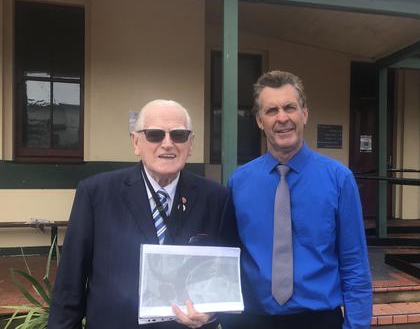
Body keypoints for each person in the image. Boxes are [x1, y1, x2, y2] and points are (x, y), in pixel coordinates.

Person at [49, 99, 236, 329]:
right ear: (136, 142)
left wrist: (212, 313)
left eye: (178, 135)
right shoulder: (96, 193)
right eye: (155, 135)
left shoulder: (216, 198)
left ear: (191, 144)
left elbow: (225, 277)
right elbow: (70, 283)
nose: (168, 144)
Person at [226, 70, 373, 328]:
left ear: (304, 113)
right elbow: (228, 258)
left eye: (290, 108)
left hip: (318, 319)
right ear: (260, 121)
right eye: (271, 111)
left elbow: (354, 264)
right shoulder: (239, 182)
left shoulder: (339, 179)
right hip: (251, 320)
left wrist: (357, 324)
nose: (282, 118)